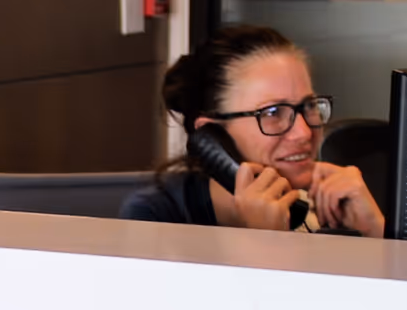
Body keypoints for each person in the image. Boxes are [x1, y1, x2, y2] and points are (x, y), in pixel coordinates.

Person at [119, 25, 385, 237]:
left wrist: (377, 234)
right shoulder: (155, 218)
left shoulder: (336, 202)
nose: (303, 133)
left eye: (309, 106)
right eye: (271, 113)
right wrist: (263, 245)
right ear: (212, 136)